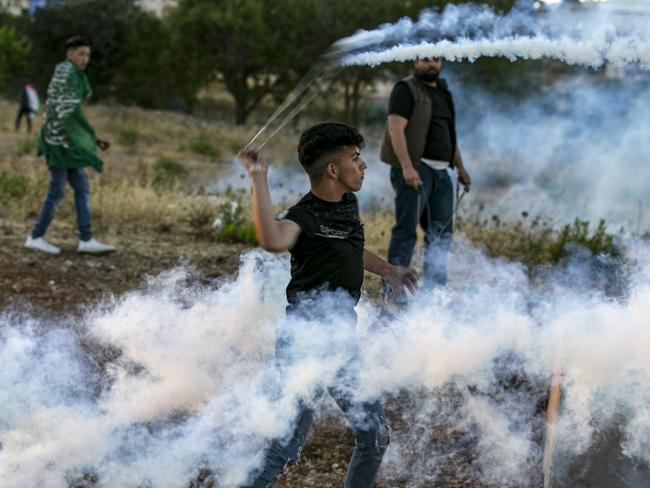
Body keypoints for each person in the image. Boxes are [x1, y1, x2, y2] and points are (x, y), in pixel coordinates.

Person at [238, 122, 418, 488]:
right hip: (305, 340)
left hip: (341, 339)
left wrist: (388, 271)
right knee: (284, 448)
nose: (364, 165)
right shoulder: (302, 217)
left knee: (375, 435)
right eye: (356, 158)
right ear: (333, 170)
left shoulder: (347, 205)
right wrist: (259, 177)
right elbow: (272, 239)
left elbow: (349, 248)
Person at [380, 57, 471, 292]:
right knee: (406, 231)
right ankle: (394, 290)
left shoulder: (443, 90)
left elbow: (449, 133)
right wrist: (407, 167)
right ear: (415, 60)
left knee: (441, 235)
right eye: (426, 59)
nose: (432, 64)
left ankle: (434, 293)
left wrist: (460, 166)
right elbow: (395, 129)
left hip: (443, 172)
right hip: (417, 170)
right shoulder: (405, 89)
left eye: (436, 59)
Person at [25, 36, 114, 255]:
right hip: (59, 143)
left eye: (88, 55)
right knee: (56, 192)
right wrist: (91, 135)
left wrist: (91, 138)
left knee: (82, 188)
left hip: (68, 144)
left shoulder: (72, 75)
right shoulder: (65, 75)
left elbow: (70, 112)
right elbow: (68, 112)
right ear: (69, 54)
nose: (85, 59)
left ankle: (86, 240)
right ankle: (36, 237)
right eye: (81, 54)